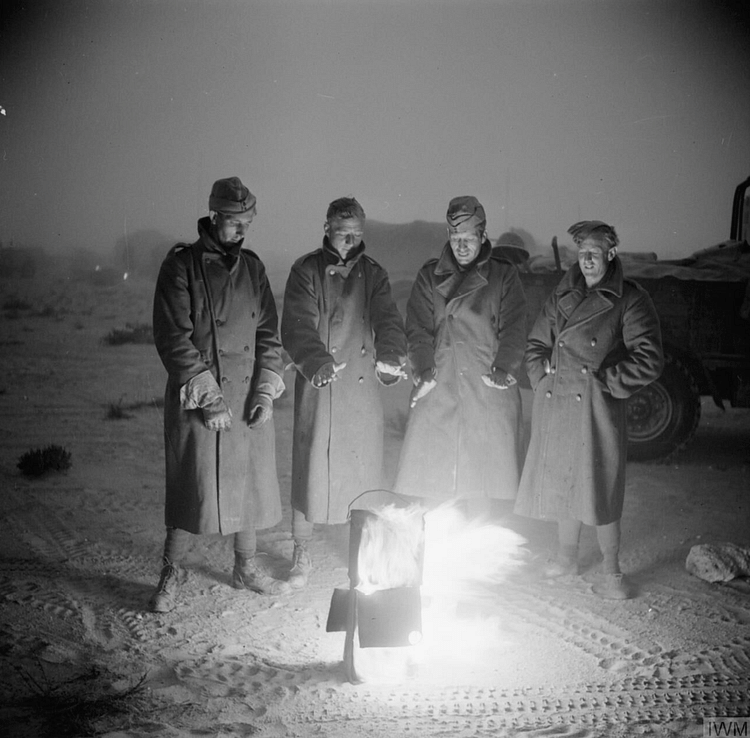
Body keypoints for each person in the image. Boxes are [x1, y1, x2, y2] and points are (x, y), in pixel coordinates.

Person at [149, 176, 290, 613]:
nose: (242, 230)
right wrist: (209, 399)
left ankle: (245, 567)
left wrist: (265, 391)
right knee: (191, 488)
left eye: (247, 222)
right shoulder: (181, 266)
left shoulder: (253, 267)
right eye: (234, 222)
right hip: (201, 400)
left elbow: (269, 332)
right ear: (214, 217)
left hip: (246, 398)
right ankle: (170, 575)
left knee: (248, 486)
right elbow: (173, 337)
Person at [514, 220, 663, 600]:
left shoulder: (630, 299)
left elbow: (650, 359)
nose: (587, 262)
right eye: (582, 255)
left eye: (594, 254)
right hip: (559, 403)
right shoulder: (561, 294)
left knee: (601, 486)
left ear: (611, 255)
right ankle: (566, 558)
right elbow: (535, 344)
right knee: (566, 481)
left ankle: (612, 570)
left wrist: (606, 384)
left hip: (596, 408)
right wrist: (541, 377)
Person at [281, 196, 407, 589]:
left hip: (360, 390)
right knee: (310, 470)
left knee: (363, 476)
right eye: (342, 233)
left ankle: (362, 557)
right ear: (326, 228)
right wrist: (315, 361)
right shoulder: (305, 270)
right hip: (320, 382)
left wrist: (390, 354)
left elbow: (388, 317)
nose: (349, 241)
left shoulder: (374, 273)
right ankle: (301, 554)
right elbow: (297, 324)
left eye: (355, 235)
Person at [393, 196, 527, 513]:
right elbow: (418, 329)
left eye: (468, 238)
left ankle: (480, 553)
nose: (461, 246)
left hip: (488, 387)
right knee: (435, 481)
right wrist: (423, 372)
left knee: (483, 485)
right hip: (441, 385)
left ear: (483, 237)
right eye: (455, 238)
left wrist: (505, 368)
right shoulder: (430, 276)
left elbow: (515, 328)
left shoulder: (503, 276)